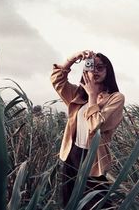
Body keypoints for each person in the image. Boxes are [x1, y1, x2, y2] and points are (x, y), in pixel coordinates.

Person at [50, 50, 125, 209]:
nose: (95, 71)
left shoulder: (115, 98)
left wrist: (92, 97)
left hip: (94, 158)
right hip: (72, 154)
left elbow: (95, 125)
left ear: (108, 71)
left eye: (100, 67)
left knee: (97, 203)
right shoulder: (77, 95)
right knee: (70, 202)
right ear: (85, 70)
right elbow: (57, 80)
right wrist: (72, 59)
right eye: (91, 67)